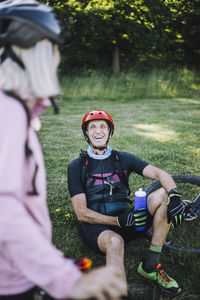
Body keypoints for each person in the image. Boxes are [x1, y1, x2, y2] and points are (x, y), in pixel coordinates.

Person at [0, 1, 127, 299]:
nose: (57, 59)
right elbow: (4, 209)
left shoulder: (17, 111)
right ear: (33, 52)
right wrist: (66, 279)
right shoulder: (7, 113)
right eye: (53, 48)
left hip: (21, 268)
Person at [68, 110, 189, 297]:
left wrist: (175, 195)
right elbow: (81, 213)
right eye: (92, 127)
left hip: (130, 221)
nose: (98, 131)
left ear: (110, 132)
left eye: (103, 126)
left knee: (164, 194)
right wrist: (117, 221)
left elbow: (160, 174)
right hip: (96, 229)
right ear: (86, 134)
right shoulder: (76, 166)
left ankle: (150, 266)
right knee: (115, 242)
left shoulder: (122, 158)